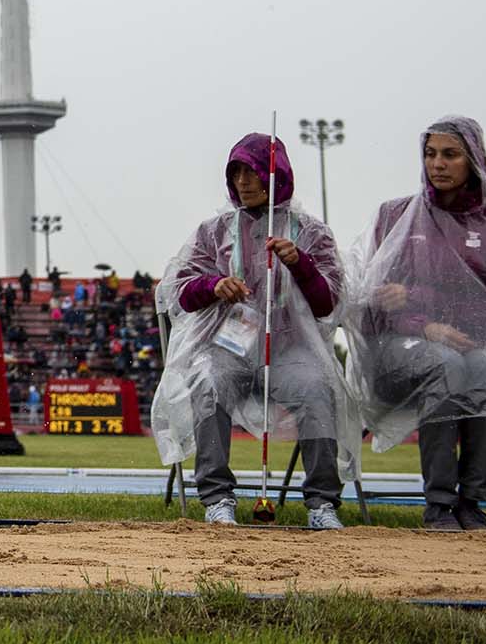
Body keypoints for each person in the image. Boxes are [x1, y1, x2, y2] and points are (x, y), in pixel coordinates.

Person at [344, 117, 486, 531]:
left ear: (475, 161)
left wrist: (423, 305)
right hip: (393, 360)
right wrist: (423, 324)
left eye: (450, 154)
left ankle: (472, 500)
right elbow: (367, 306)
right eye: (430, 154)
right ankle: (439, 504)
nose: (438, 164)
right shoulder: (396, 217)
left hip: (467, 350)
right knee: (444, 364)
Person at [150, 133, 355, 530]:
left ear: (276, 174)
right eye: (236, 172)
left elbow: (327, 303)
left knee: (320, 387)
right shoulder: (213, 231)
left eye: (254, 171)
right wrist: (213, 286)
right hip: (228, 349)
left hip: (290, 351)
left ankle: (322, 502)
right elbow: (179, 293)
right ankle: (216, 496)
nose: (244, 181)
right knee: (207, 380)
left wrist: (301, 264)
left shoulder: (313, 232)